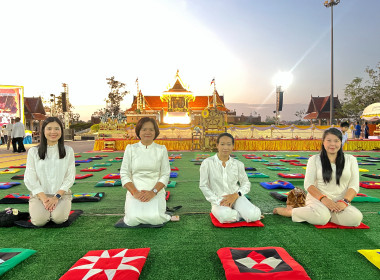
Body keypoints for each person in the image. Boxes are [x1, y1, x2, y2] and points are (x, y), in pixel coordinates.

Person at [273, 127, 363, 227]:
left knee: (355, 219)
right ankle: (291, 212)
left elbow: (354, 186)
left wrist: (344, 202)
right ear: (323, 142)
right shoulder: (314, 159)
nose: (332, 144)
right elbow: (309, 184)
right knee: (321, 218)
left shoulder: (351, 160)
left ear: (341, 142)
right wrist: (324, 199)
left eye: (336, 141)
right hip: (318, 199)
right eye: (329, 140)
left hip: (339, 202)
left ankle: (325, 214)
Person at [199, 133, 261, 223]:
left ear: (232, 146)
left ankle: (245, 215)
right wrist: (219, 200)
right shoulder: (207, 163)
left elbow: (246, 183)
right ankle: (242, 215)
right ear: (217, 145)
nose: (225, 148)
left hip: (236, 197)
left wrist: (236, 195)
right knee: (225, 215)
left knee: (254, 214)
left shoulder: (238, 164)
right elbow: (203, 186)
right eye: (222, 144)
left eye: (229, 144)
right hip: (218, 200)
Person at [24, 117, 75, 226]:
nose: (53, 132)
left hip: (61, 194)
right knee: (39, 221)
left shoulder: (68, 151)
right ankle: (42, 209)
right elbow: (30, 177)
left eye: (57, 129)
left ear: (61, 131)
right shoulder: (33, 152)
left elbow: (70, 177)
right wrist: (44, 198)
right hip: (39, 195)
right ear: (43, 131)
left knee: (58, 219)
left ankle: (57, 209)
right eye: (49, 129)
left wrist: (56, 197)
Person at [120, 117, 171, 227]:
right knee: (132, 220)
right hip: (135, 190)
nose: (148, 132)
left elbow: (165, 174)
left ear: (155, 132)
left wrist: (153, 192)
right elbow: (124, 174)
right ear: (138, 131)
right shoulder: (130, 148)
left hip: (155, 190)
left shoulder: (161, 149)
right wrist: (135, 192)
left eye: (151, 129)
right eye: (144, 129)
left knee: (155, 218)